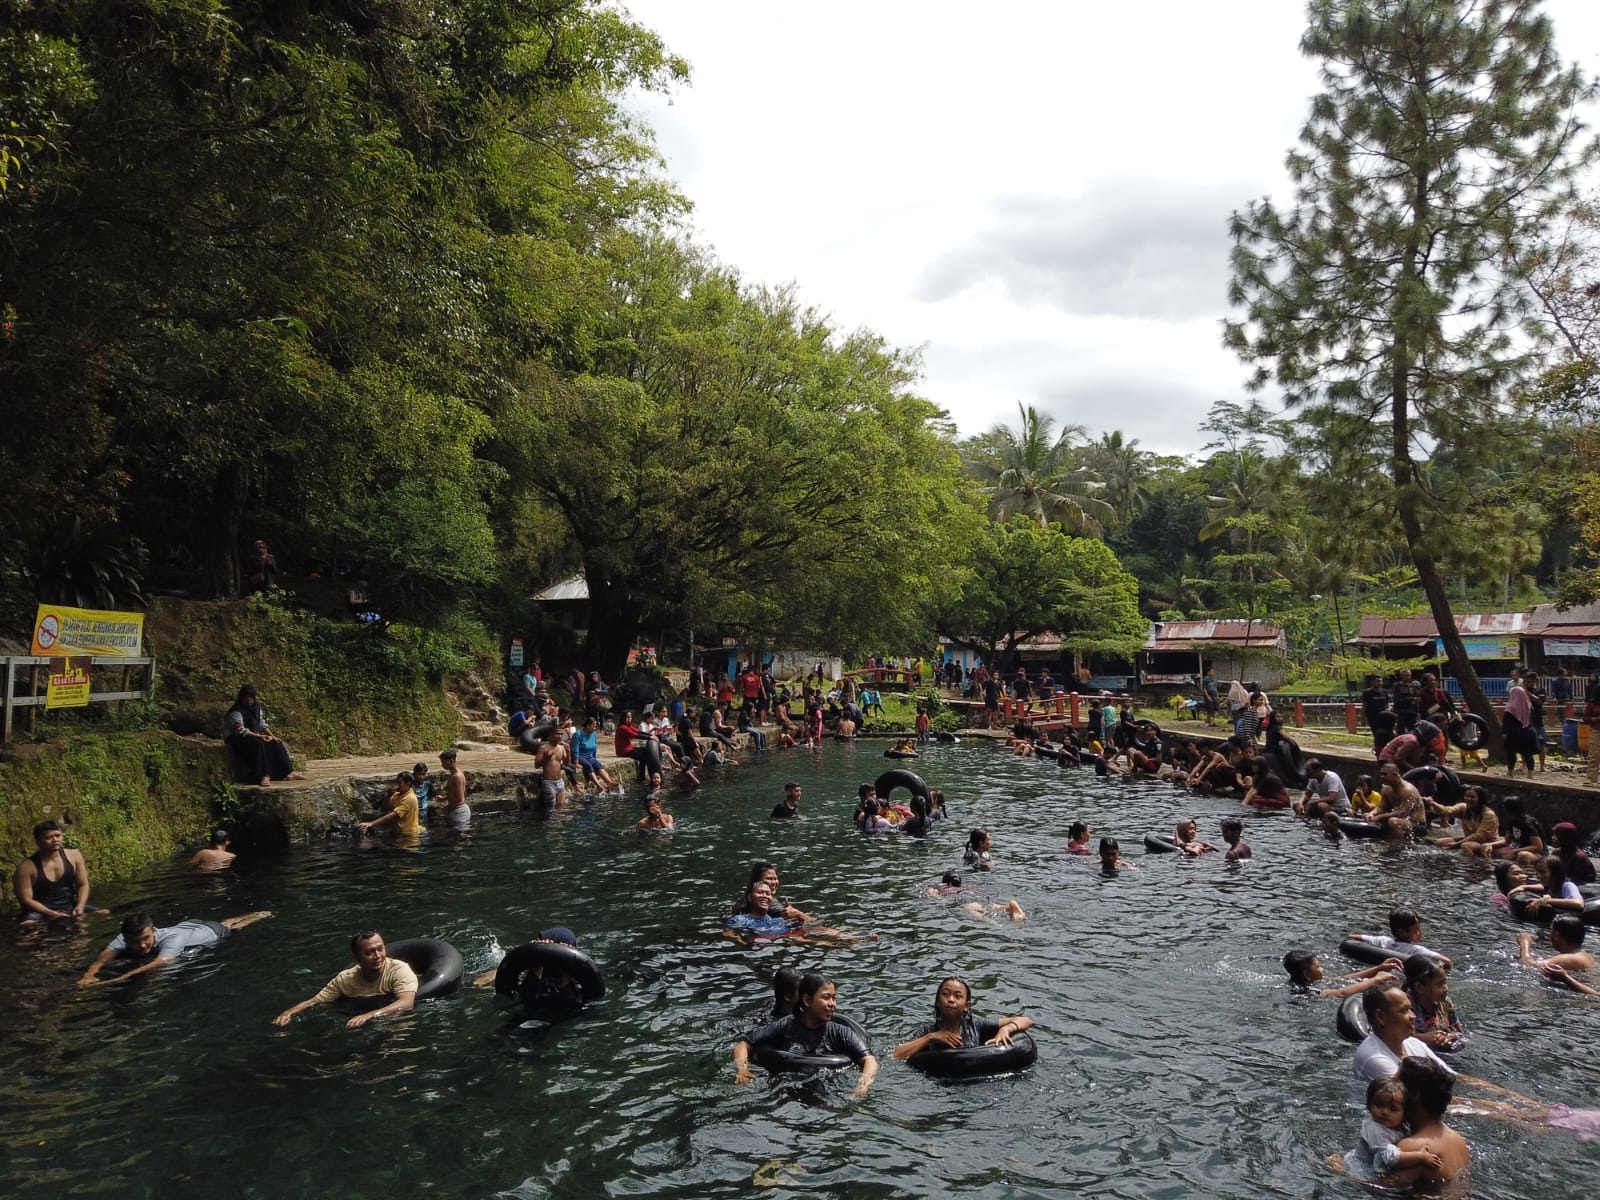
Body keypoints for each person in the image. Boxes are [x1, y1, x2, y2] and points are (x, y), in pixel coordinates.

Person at [732, 974, 878, 1098]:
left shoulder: (840, 1032)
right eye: (826, 998)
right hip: (784, 1087)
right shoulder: (785, 1026)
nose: (832, 1004)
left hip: (826, 1090)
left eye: (834, 998)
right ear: (807, 1000)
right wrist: (742, 1070)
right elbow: (743, 1044)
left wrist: (862, 1085)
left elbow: (869, 1060)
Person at [272, 930, 419, 1029]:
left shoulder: (398, 969)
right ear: (356, 958)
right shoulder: (346, 978)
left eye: (380, 949)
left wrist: (369, 1015)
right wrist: (288, 1013)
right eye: (369, 952)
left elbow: (406, 1003)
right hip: (356, 1016)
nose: (377, 956)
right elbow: (314, 1001)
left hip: (393, 1022)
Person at [79, 911, 271, 984]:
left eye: (145, 938)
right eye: (135, 941)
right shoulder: (126, 936)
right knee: (228, 920)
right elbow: (104, 957)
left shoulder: (171, 939)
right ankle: (250, 914)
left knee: (233, 926)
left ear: (153, 930)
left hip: (211, 932)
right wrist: (89, 975)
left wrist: (122, 977)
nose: (141, 945)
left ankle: (260, 915)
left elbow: (161, 962)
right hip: (189, 924)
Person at [891, 976, 1033, 1060]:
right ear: (937, 1002)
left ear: (967, 1005)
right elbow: (897, 1054)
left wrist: (1006, 1029)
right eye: (945, 994)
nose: (951, 1000)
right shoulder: (927, 1031)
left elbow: (1025, 1020)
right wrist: (931, 1037)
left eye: (958, 996)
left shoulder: (976, 1026)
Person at [1329, 1076, 1444, 1179]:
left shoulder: (1400, 1126)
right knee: (1358, 1181)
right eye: (1378, 1105)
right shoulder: (1374, 1128)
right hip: (1359, 1169)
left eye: (1393, 1109)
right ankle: (1341, 1170)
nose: (1384, 1112)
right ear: (1369, 1105)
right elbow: (1388, 1157)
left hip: (1369, 1163)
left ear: (1405, 1112)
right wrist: (1420, 1156)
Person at [1381, 1058, 1470, 1190]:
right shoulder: (1458, 1141)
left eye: (1395, 1085)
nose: (1388, 1090)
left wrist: (1341, 1170)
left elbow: (1380, 1187)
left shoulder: (1413, 1147)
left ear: (1414, 1094)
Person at [224, 684, 304, 785]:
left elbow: (262, 724)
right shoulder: (236, 712)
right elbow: (240, 730)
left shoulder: (256, 709)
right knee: (258, 744)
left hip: (252, 735)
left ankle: (288, 772)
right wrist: (260, 736)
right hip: (236, 738)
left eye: (251, 697)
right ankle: (263, 776)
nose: (248, 700)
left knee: (276, 743)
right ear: (242, 697)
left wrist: (272, 736)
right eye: (246, 697)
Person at [13, 820, 92, 921]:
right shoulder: (26, 868)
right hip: (40, 912)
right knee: (29, 923)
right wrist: (51, 913)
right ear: (38, 841)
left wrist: (80, 906)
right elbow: (26, 900)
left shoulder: (74, 856)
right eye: (48, 837)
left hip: (70, 905)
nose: (55, 840)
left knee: (104, 913)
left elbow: (83, 884)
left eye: (58, 836)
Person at [1346, 908, 1453, 969]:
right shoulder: (1416, 950)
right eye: (1416, 930)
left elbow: (1351, 937)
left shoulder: (1382, 941)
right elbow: (1447, 961)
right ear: (1402, 932)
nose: (1421, 932)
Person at [1518, 916, 1598, 994]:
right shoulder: (1585, 955)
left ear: (1556, 935)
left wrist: (1524, 942)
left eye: (1550, 931)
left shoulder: (1569, 958)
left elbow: (1528, 964)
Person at [1281, 949, 1402, 998]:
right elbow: (1342, 993)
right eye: (1318, 967)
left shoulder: (1303, 980)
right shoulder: (1308, 991)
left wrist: (1378, 969)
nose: (1323, 969)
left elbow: (1342, 979)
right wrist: (1376, 980)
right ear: (1307, 974)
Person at [1402, 956, 1463, 1052]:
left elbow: (1458, 1030)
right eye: (1440, 984)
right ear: (1419, 988)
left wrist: (1449, 1036)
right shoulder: (1404, 1006)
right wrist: (1425, 1038)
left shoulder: (1445, 1002)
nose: (1446, 988)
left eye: (1445, 982)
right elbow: (1396, 1036)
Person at [1427, 786, 1499, 855]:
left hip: (1485, 842)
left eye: (1472, 797)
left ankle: (1470, 866)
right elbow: (1447, 811)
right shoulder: (1463, 807)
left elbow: (1479, 836)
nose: (1468, 799)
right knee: (1440, 842)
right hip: (1468, 839)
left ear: (1480, 799)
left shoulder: (1489, 814)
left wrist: (1457, 844)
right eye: (1467, 796)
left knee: (1466, 846)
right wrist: (1433, 803)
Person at [358, 771, 421, 841]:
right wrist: (388, 795)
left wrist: (372, 823)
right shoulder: (397, 795)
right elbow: (384, 808)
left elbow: (393, 814)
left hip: (409, 834)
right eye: (397, 783)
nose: (397, 785)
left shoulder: (410, 798)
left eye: (400, 783)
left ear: (408, 784)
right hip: (397, 831)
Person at [1371, 762, 1426, 839]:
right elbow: (1381, 807)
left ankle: (1399, 847)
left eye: (1385, 774)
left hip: (1416, 825)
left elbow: (1402, 813)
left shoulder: (1408, 790)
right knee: (1375, 818)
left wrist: (1380, 817)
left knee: (1394, 822)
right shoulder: (1386, 789)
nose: (1382, 777)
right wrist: (1372, 813)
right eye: (1381, 774)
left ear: (1395, 774)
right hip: (1399, 820)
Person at [572, 718, 620, 793]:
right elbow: (575, 750)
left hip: (589, 756)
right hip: (580, 756)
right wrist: (576, 763)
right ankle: (598, 786)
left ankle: (609, 782)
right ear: (588, 726)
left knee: (597, 764)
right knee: (588, 766)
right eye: (593, 727)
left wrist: (594, 759)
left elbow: (594, 747)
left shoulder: (593, 734)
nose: (595, 729)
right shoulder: (578, 735)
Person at [1502, 675, 1538, 776]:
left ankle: (1510, 772)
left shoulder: (1510, 707)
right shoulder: (1529, 705)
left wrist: (1504, 733)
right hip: (1528, 731)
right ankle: (1530, 773)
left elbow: (1506, 721)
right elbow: (1532, 718)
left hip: (1514, 733)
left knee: (1511, 753)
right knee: (1528, 753)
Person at [1497, 796, 1546, 866]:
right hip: (1517, 849)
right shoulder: (1512, 821)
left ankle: (1524, 872)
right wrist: (1489, 845)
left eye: (1505, 808)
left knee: (1523, 856)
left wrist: (1515, 851)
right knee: (1497, 851)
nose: (1503, 810)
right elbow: (1506, 841)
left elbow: (1538, 847)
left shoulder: (1527, 824)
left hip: (1536, 854)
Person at [1549, 821, 1596, 885]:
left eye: (1556, 835)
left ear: (1565, 837)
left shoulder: (1579, 858)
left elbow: (1578, 884)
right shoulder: (1556, 853)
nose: (1552, 838)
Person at [534, 727, 570, 806]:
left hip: (559, 782)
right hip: (549, 782)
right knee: (551, 808)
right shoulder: (543, 748)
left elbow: (567, 764)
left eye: (561, 734)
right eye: (557, 734)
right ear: (551, 734)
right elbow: (536, 765)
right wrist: (546, 758)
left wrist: (568, 751)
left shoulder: (562, 748)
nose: (560, 736)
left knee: (561, 806)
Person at [436, 749, 471, 829]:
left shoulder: (457, 777)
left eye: (444, 762)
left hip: (459, 812)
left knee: (458, 838)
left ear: (451, 761)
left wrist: (444, 810)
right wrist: (444, 798)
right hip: (455, 810)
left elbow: (459, 799)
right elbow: (456, 793)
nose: (442, 765)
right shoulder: (454, 773)